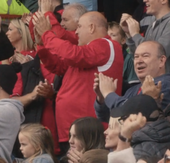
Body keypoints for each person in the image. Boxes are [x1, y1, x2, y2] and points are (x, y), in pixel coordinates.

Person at [34, 11, 123, 150]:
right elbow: (57, 66)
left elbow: (75, 55)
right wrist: (41, 45)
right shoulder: (86, 52)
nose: (76, 32)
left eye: (79, 27)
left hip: (90, 133)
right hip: (73, 131)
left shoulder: (106, 44)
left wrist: (47, 35)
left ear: (92, 27)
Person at [94, 41, 170, 122]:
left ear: (161, 61)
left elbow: (133, 114)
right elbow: (110, 118)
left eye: (145, 56)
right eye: (136, 57)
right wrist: (101, 99)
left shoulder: (166, 84)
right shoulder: (132, 90)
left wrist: (109, 94)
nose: (139, 61)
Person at [124, 0, 170, 75]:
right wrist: (129, 34)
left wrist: (135, 34)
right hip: (154, 82)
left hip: (169, 82)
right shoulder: (153, 23)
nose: (144, 0)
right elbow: (137, 55)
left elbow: (157, 54)